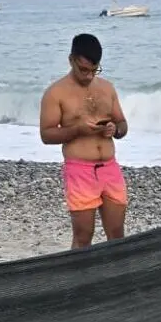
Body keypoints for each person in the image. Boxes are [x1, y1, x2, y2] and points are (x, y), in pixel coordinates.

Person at [39, 33, 129, 249]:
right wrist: (77, 130)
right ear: (71, 60)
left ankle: (115, 277)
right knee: (83, 235)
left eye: (94, 70)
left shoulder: (107, 88)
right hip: (80, 169)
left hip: (109, 167)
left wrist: (115, 129)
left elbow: (123, 124)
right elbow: (46, 134)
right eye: (84, 70)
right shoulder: (56, 93)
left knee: (117, 232)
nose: (89, 76)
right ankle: (79, 278)